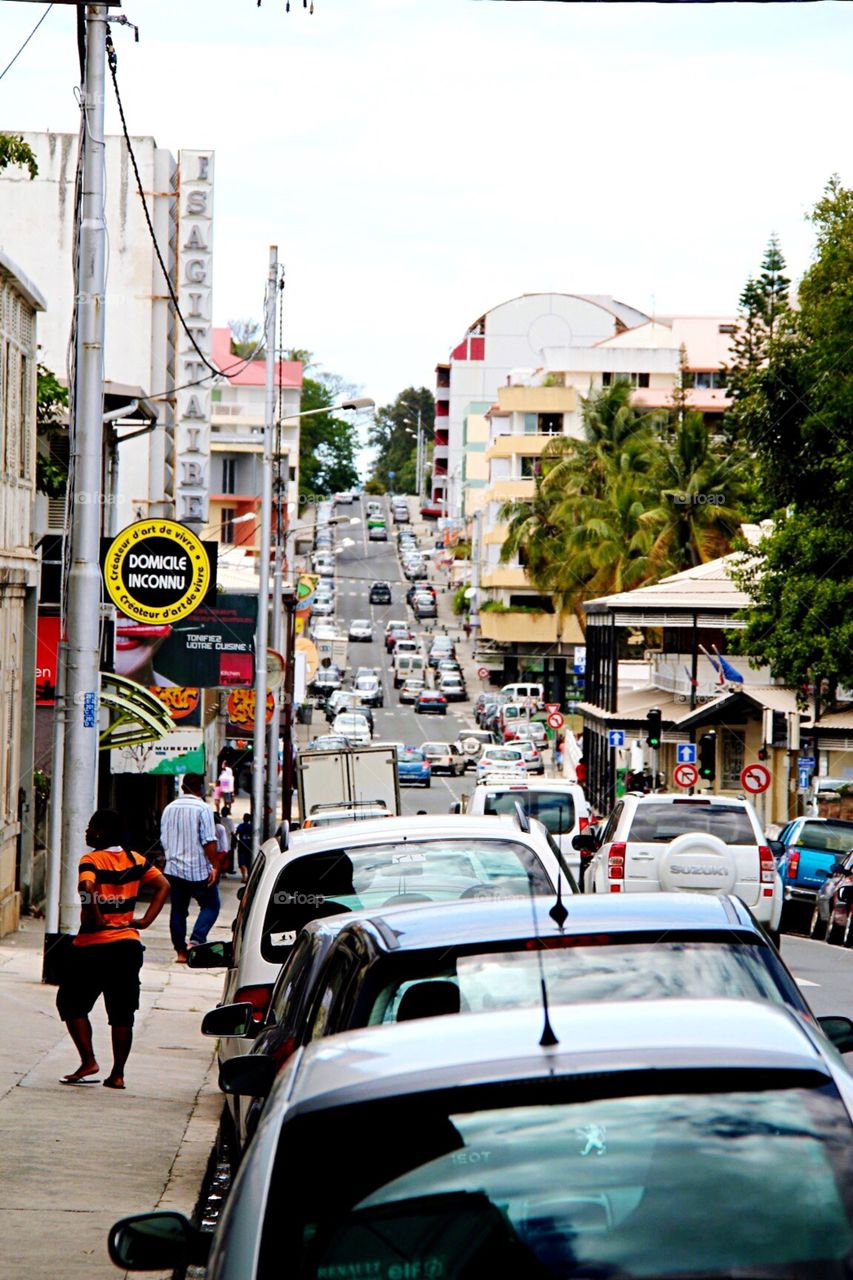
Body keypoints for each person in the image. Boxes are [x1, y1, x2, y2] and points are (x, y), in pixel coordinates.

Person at [56, 808, 170, 1089]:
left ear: (101, 832)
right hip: (128, 945)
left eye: (91, 827)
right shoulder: (136, 860)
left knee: (70, 1002)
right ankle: (118, 1074)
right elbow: (163, 886)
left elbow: (86, 885)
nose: (86, 832)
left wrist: (93, 915)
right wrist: (144, 920)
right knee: (122, 1013)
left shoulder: (91, 859)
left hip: (93, 945)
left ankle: (89, 1060)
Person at [160, 773, 220, 963]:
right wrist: (215, 866)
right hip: (198, 870)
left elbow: (164, 838)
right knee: (211, 905)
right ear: (200, 788)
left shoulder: (169, 808)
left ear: (183, 787)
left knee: (178, 910)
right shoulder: (203, 809)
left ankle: (180, 952)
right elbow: (209, 840)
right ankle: (196, 941)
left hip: (173, 870)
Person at [235, 811, 254, 883]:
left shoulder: (240, 826)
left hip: (242, 846)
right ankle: (248, 876)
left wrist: (234, 842)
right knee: (248, 862)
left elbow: (236, 835)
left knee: (242, 862)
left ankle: (244, 876)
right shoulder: (252, 826)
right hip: (249, 847)